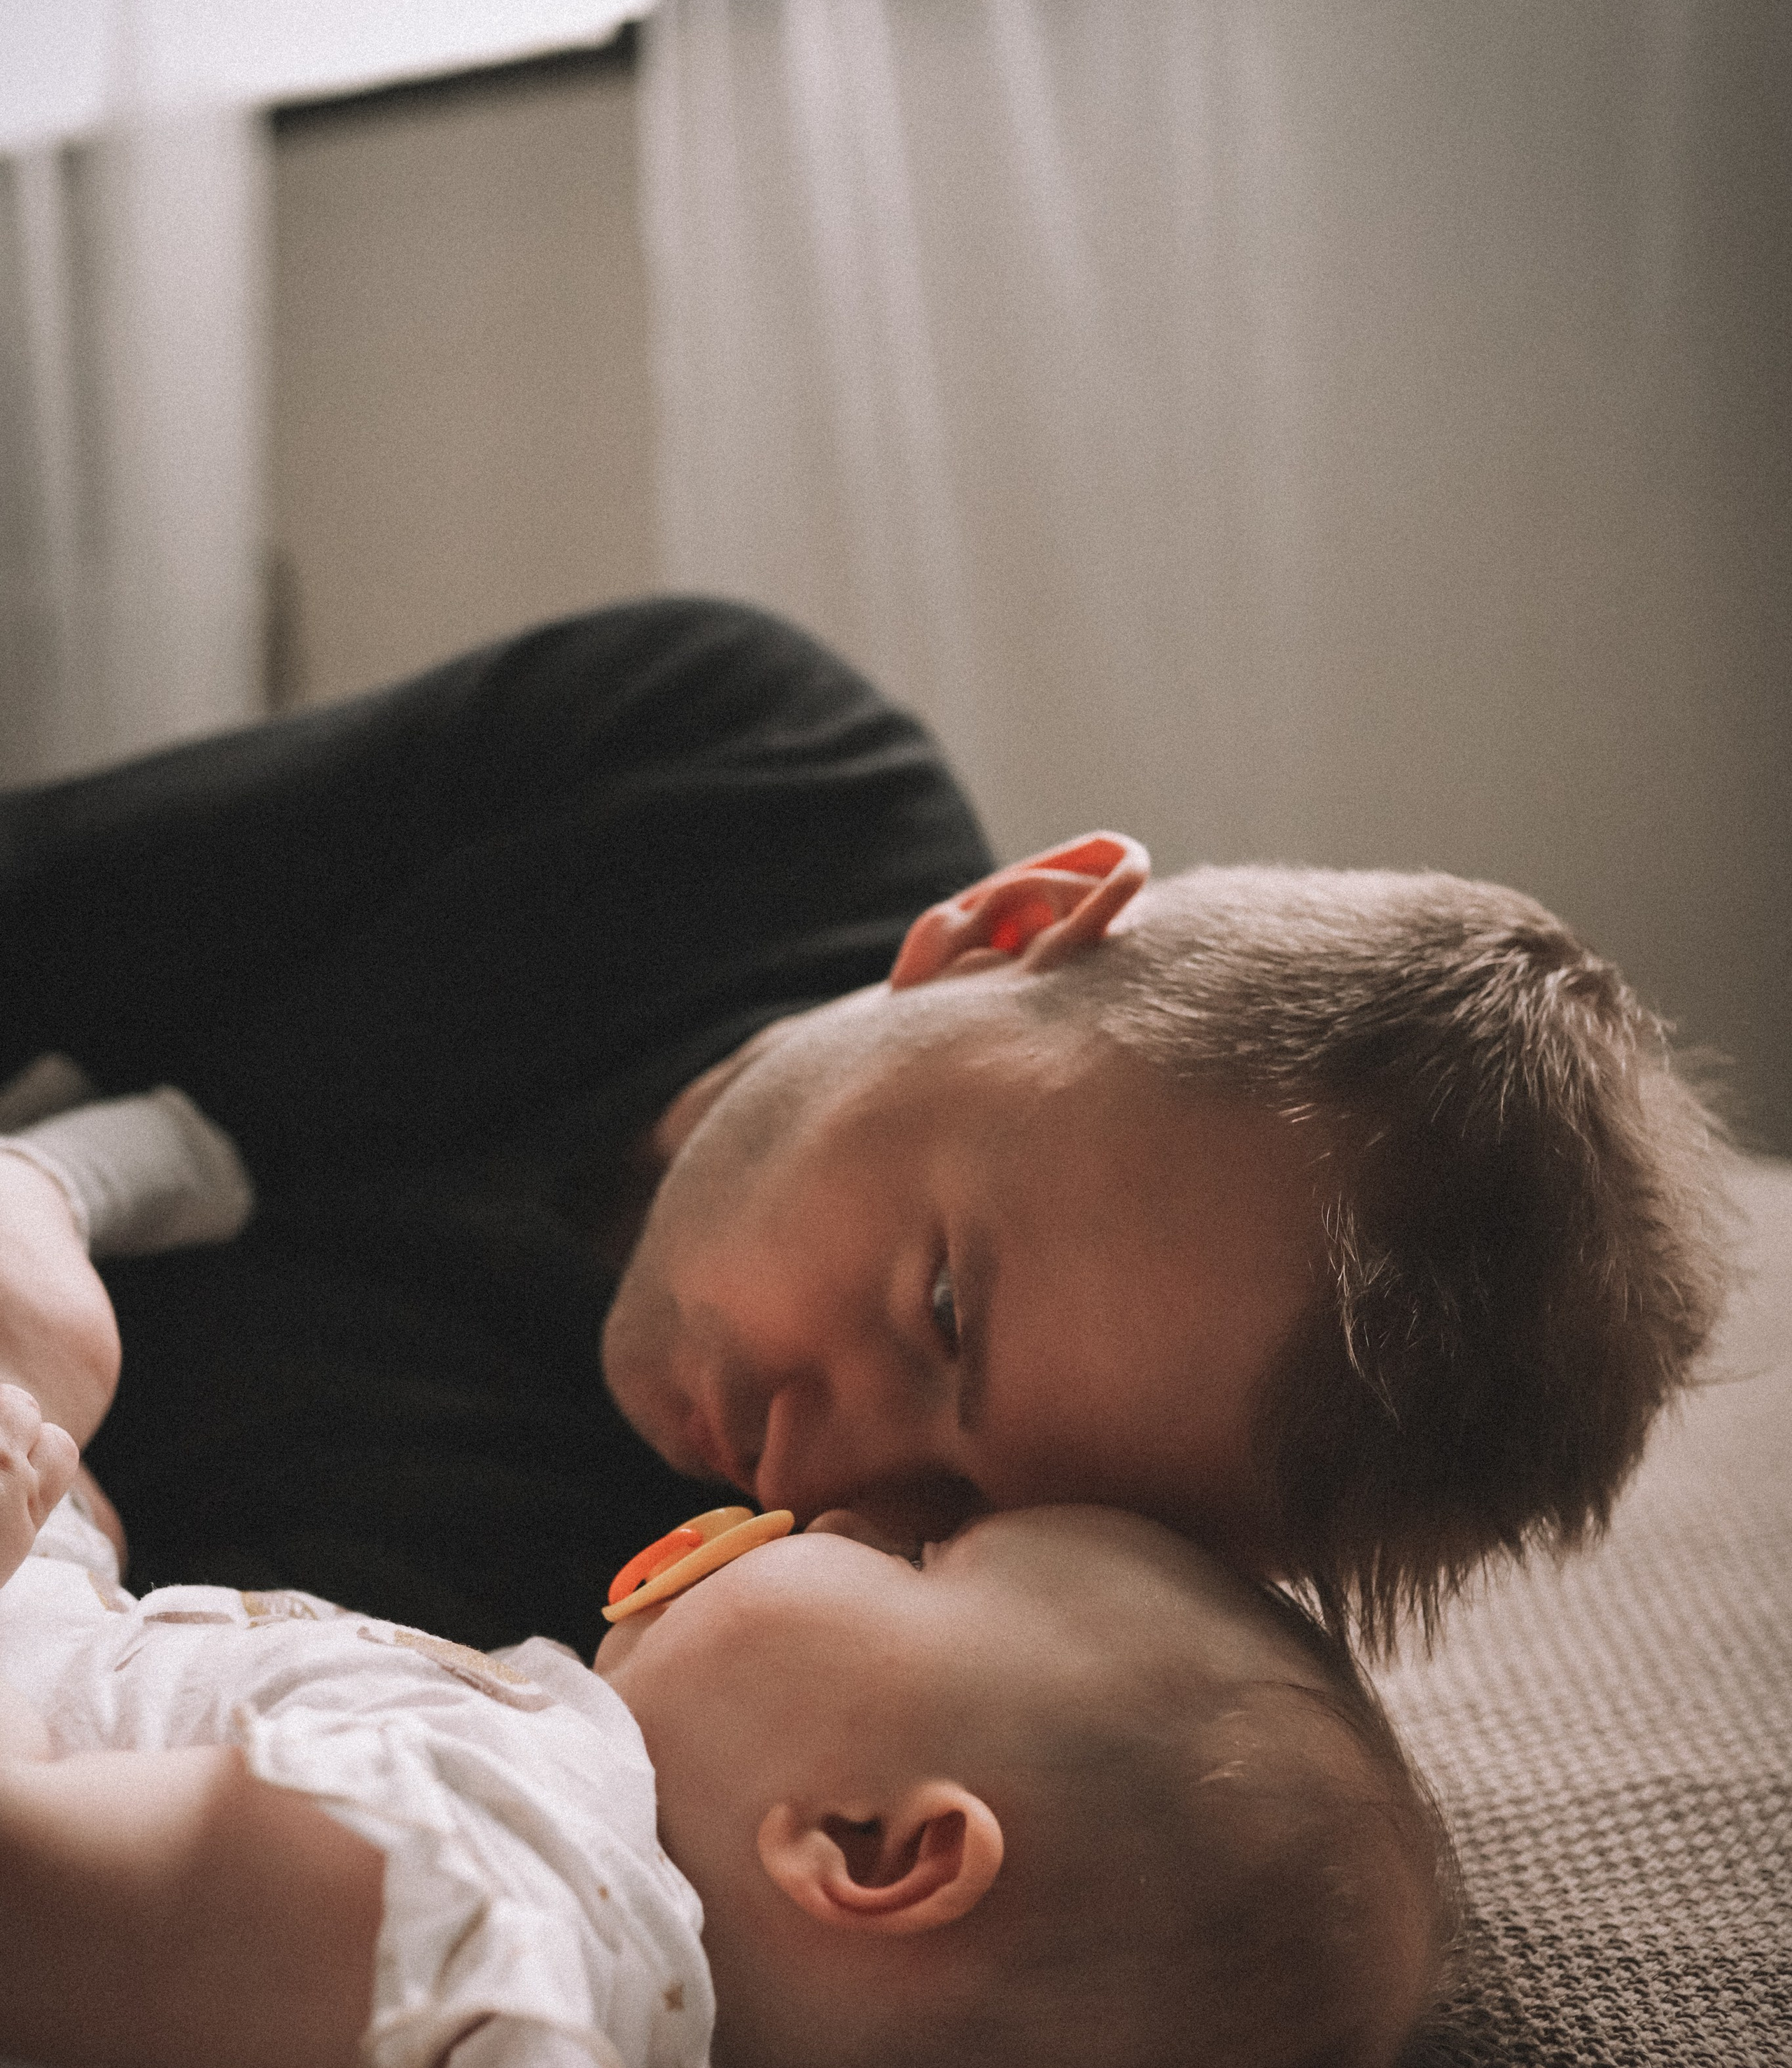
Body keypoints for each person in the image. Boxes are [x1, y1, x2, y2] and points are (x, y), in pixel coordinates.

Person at [0, 598, 1735, 1655]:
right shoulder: (740, 772)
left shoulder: (670, 1618)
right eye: (943, 1314)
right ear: (996, 934)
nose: (815, 1476)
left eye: (969, 1515)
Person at [0, 1182, 1451, 2068]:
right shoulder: (552, 1796)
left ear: (867, 1848)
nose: (841, 1507)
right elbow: (114, 1684)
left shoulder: (481, 1918)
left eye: (914, 1558)